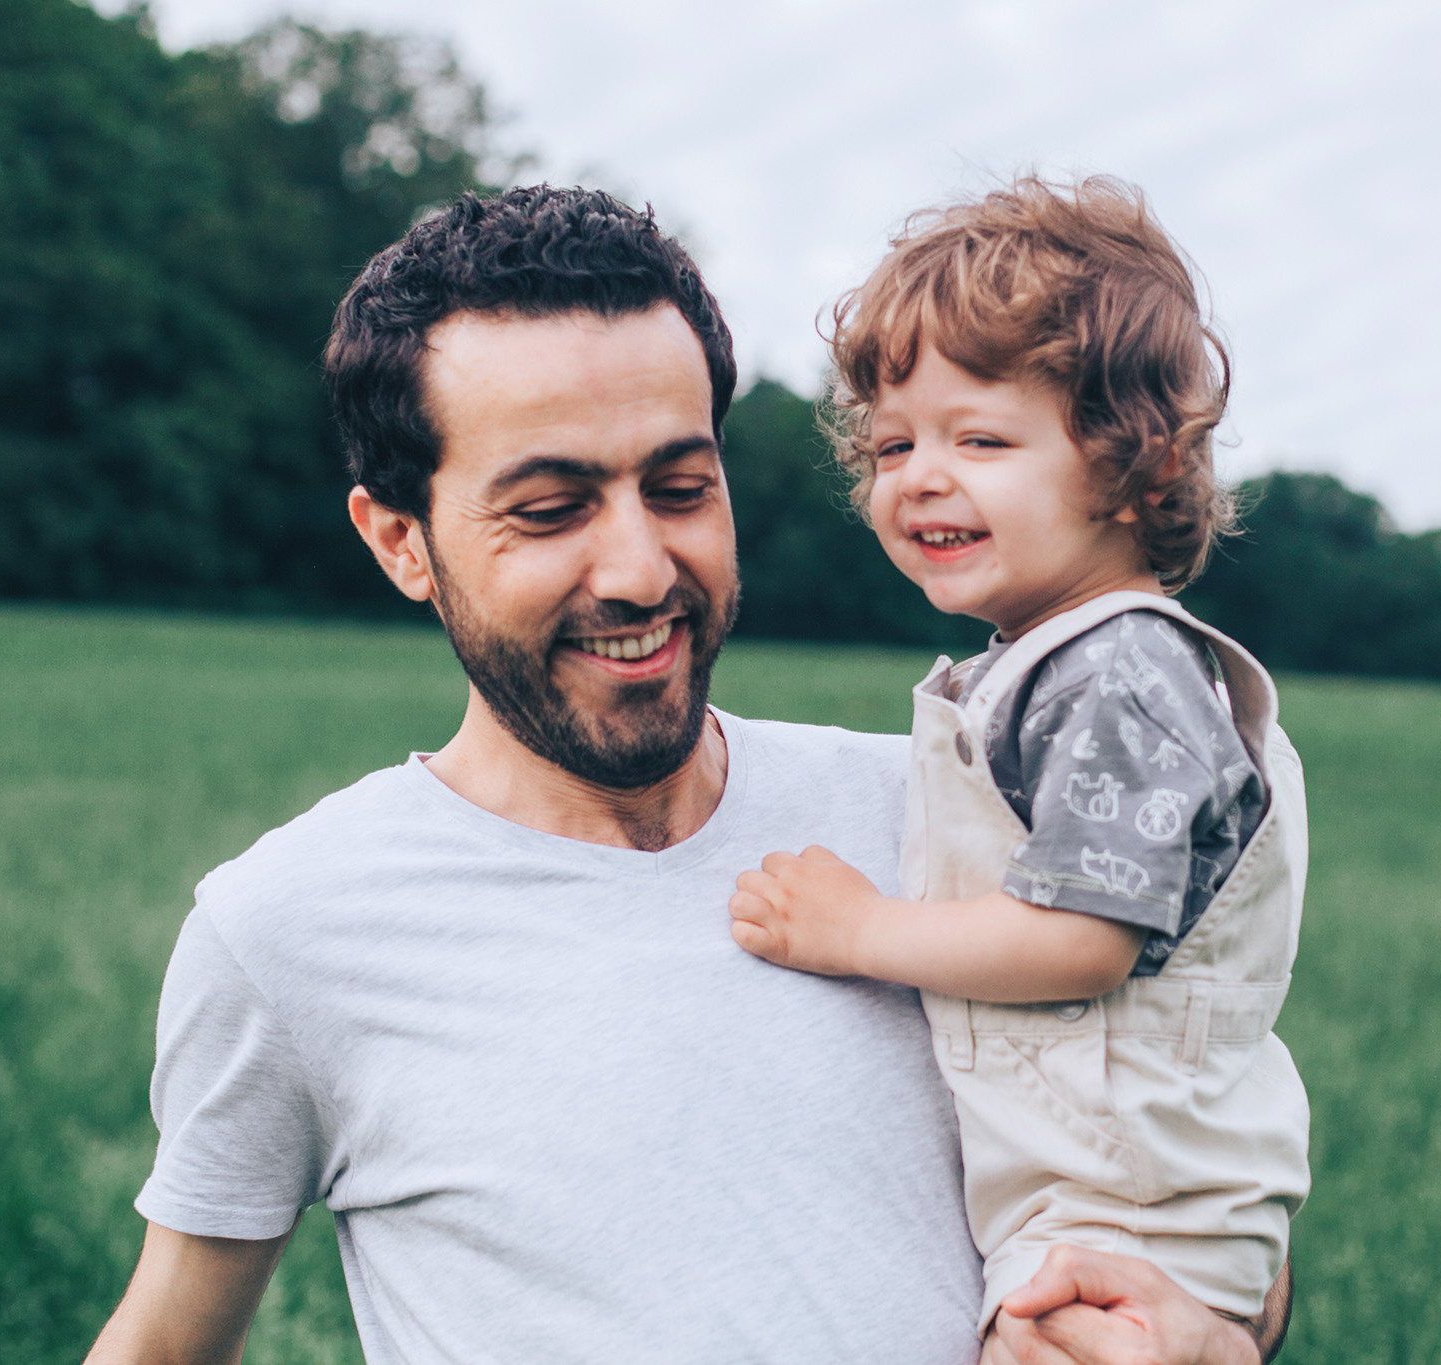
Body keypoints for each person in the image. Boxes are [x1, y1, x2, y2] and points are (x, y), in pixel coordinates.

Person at [84, 185, 1290, 1365]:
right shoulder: (291, 932)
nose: (638, 570)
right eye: (550, 509)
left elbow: (1180, 1155)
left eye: (679, 489)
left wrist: (1218, 1334)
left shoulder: (947, 822)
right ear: (400, 540)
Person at [730, 176, 1310, 1340]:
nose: (919, 475)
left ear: (1135, 471)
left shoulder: (1124, 674)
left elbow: (1082, 937)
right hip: (1087, 1180)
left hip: (1133, 1196)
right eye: (892, 443)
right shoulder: (1045, 666)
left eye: (980, 439)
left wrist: (852, 933)